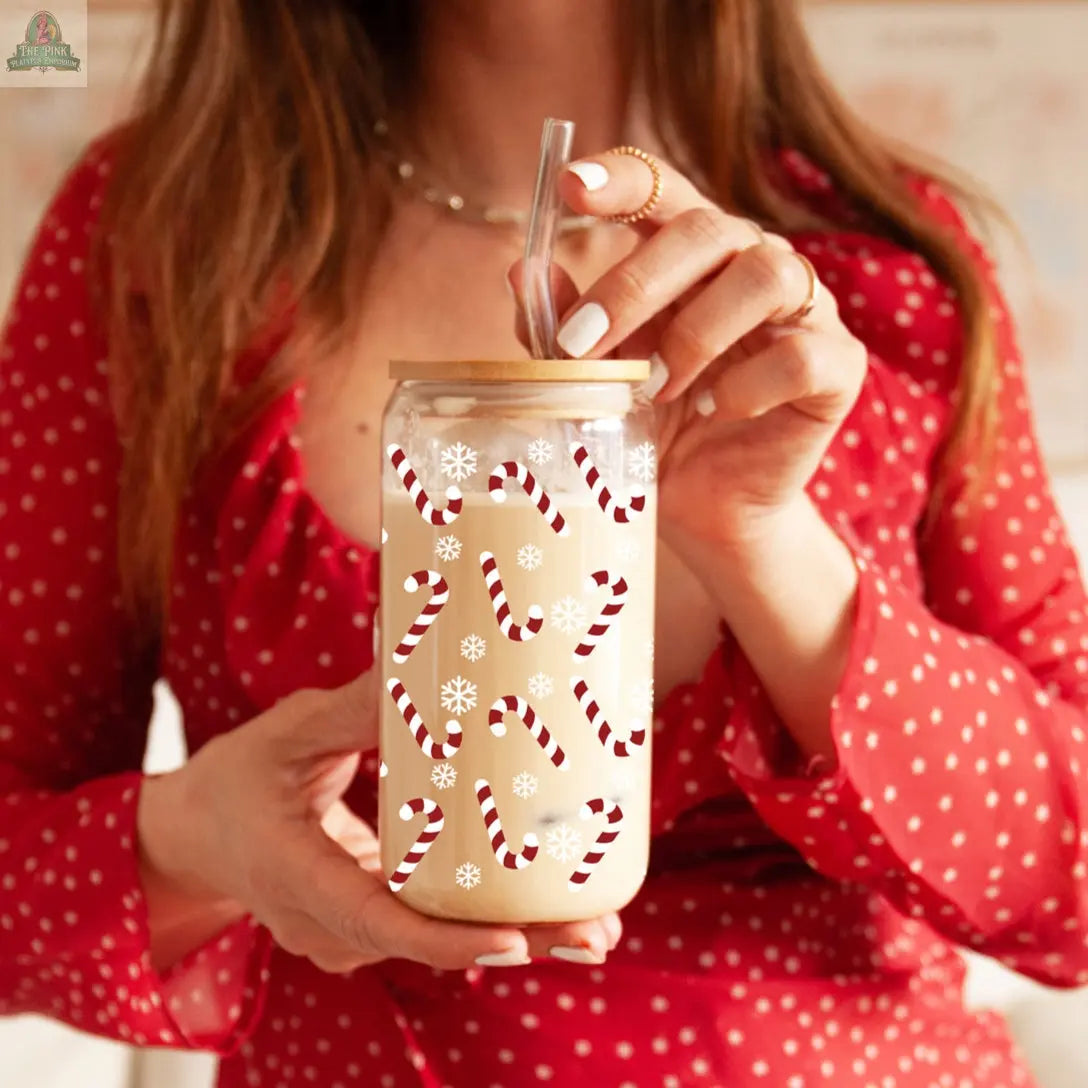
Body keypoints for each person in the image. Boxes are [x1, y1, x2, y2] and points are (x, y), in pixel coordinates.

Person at [1, 1, 1086, 1084]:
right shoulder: (162, 241)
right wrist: (195, 835)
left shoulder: (884, 267)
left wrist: (762, 539)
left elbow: (1072, 892)